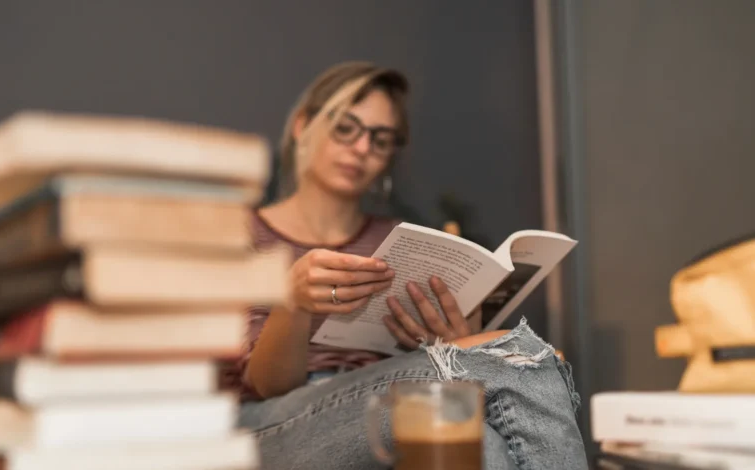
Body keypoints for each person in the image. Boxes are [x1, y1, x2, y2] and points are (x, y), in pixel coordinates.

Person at [223, 61, 587, 469]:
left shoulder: (401, 237)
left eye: (380, 139)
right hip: (271, 428)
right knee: (519, 355)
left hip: (380, 414)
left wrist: (451, 341)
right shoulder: (242, 235)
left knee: (475, 441)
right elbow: (266, 386)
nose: (361, 148)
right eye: (346, 127)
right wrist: (293, 302)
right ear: (302, 125)